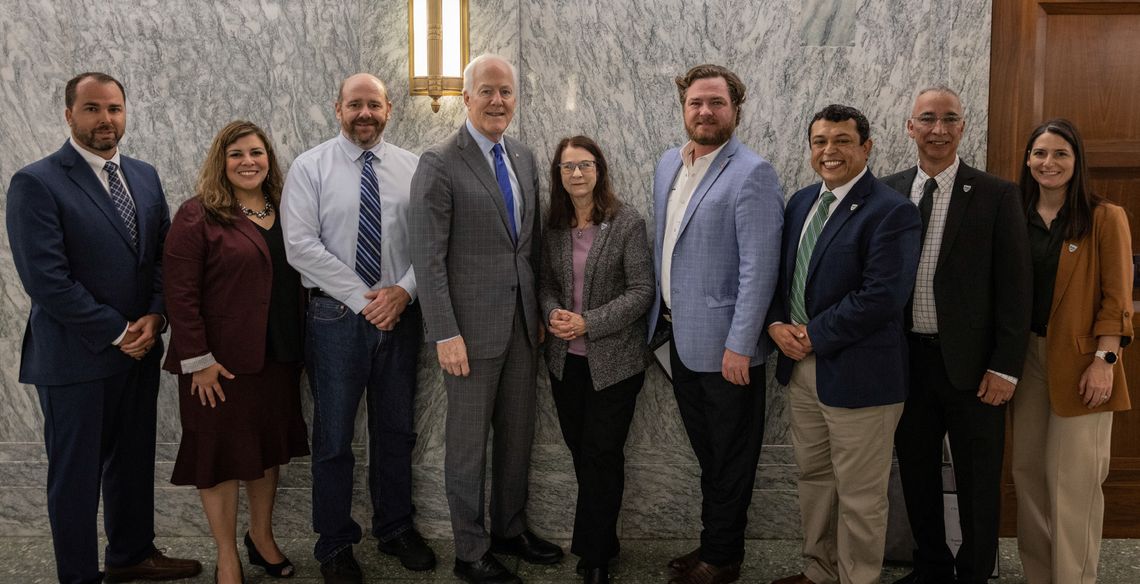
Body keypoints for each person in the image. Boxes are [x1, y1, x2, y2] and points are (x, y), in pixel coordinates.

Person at [5, 72, 201, 584]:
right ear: (69, 114)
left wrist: (156, 315)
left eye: (114, 108)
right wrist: (119, 331)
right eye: (92, 109)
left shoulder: (144, 175)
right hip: (76, 357)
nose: (105, 119)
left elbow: (162, 256)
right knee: (75, 478)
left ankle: (131, 555)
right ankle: (79, 575)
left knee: (133, 462)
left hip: (138, 351)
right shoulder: (36, 181)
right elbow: (46, 280)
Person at [410, 53, 563, 584]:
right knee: (469, 445)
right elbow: (427, 257)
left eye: (507, 92)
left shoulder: (522, 156)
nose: (498, 101)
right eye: (488, 91)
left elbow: (532, 245)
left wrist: (539, 312)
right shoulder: (440, 161)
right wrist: (445, 332)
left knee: (517, 436)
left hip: (523, 327)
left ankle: (510, 530)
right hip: (468, 335)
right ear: (466, 96)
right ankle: (470, 551)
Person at [281, 73, 435, 584]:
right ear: (338, 108)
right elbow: (300, 246)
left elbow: (431, 245)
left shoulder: (414, 168)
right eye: (354, 105)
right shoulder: (310, 167)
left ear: (389, 109)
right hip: (334, 318)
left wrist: (403, 292)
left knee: (395, 431)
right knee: (333, 437)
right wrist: (364, 299)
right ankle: (334, 544)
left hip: (400, 314)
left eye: (373, 104)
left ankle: (395, 530)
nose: (364, 113)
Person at [766, 104, 922, 584]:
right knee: (815, 481)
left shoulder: (892, 210)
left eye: (842, 141)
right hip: (801, 370)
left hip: (860, 376)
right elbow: (782, 277)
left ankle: (858, 578)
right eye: (820, 141)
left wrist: (811, 334)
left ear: (866, 147)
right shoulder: (800, 202)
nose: (829, 151)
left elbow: (882, 295)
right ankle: (819, 571)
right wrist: (775, 325)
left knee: (859, 494)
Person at [882, 86, 1031, 584]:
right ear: (910, 127)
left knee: (978, 481)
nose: (938, 129)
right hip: (907, 366)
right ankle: (930, 567)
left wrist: (1006, 365)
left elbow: (1016, 289)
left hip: (976, 370)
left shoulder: (996, 194)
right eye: (927, 118)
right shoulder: (887, 190)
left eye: (949, 119)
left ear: (963, 127)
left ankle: (974, 572)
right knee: (917, 474)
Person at [645, 64, 784, 584]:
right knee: (709, 454)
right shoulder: (668, 165)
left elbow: (759, 269)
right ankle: (712, 544)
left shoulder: (753, 173)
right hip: (677, 340)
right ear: (684, 108)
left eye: (716, 103)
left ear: (735, 110)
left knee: (731, 458)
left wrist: (740, 346)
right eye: (695, 103)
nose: (704, 112)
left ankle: (723, 560)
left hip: (728, 349)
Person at [163, 120, 310, 584]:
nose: (249, 162)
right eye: (237, 155)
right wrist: (199, 361)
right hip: (219, 367)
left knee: (265, 454)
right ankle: (227, 556)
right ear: (220, 163)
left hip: (277, 360)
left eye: (256, 153)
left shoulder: (289, 209)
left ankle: (261, 538)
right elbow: (179, 293)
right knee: (220, 459)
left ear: (269, 159)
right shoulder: (198, 214)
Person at [1010, 118, 1132, 584]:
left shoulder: (1104, 217)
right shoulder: (1014, 215)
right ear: (1027, 160)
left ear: (1077, 161)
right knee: (1030, 477)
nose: (1049, 162)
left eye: (1060, 153)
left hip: (1085, 365)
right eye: (1040, 153)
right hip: (1025, 364)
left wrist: (1105, 362)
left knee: (1074, 485)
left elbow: (1117, 301)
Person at [538, 136, 654, 584]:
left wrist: (589, 322)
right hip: (565, 363)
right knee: (581, 452)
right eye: (568, 168)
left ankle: (595, 556)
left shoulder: (626, 222)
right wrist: (552, 314)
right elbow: (545, 284)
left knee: (602, 454)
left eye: (585, 165)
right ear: (559, 176)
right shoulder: (553, 228)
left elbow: (641, 291)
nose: (577, 175)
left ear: (600, 169)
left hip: (616, 364)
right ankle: (604, 539)